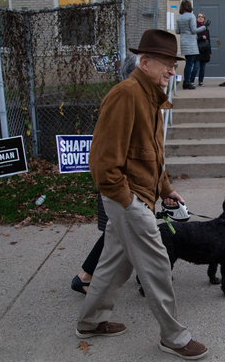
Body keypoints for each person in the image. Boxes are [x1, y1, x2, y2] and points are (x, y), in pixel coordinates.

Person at [76, 29, 208, 360]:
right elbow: (103, 162)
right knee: (157, 265)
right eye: (167, 64)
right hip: (128, 198)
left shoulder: (151, 97)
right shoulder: (126, 95)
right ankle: (174, 337)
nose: (172, 71)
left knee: (112, 265)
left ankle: (90, 322)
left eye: (174, 66)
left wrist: (165, 189)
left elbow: (149, 153)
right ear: (145, 62)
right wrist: (127, 201)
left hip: (141, 195)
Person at [71, 54, 137, 295]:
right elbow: (108, 153)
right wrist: (120, 190)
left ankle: (87, 277)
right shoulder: (123, 99)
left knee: (119, 234)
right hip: (120, 183)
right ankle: (88, 280)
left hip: (129, 182)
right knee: (118, 232)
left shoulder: (138, 99)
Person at [175, 0, 205, 90]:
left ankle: (186, 81)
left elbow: (177, 31)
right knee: (190, 63)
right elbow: (193, 30)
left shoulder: (179, 17)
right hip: (191, 43)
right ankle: (187, 82)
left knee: (188, 62)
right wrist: (203, 27)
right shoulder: (191, 16)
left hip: (184, 42)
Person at [194, 13, 211, 86]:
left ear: (204, 18)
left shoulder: (206, 29)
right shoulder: (195, 27)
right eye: (199, 17)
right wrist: (201, 37)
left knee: (203, 67)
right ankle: (191, 80)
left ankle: (201, 81)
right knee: (196, 66)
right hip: (197, 49)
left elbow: (209, 40)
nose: (200, 18)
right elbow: (194, 38)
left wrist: (210, 52)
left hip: (205, 49)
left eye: (202, 17)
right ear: (197, 18)